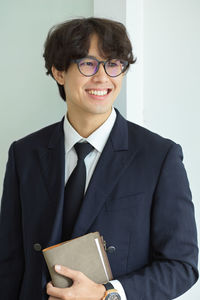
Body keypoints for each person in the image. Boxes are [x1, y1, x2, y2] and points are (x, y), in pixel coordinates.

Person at [0, 17, 198, 300]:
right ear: (59, 72)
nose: (103, 77)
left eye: (113, 64)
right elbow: (9, 263)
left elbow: (182, 266)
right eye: (88, 63)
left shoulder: (158, 157)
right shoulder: (24, 154)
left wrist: (106, 295)